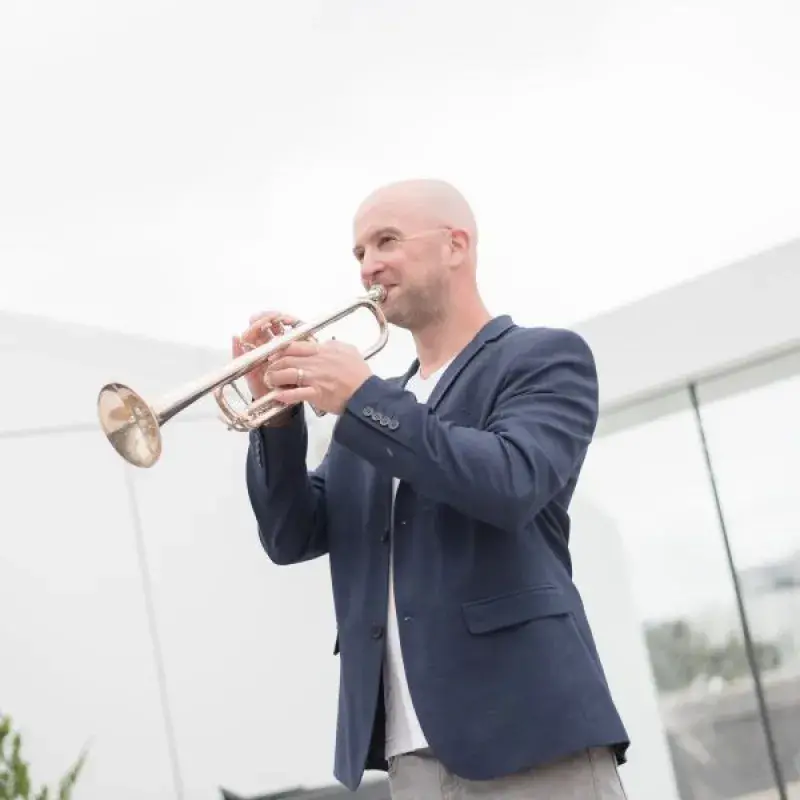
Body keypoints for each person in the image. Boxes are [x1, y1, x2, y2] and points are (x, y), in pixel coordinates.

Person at [235, 179, 631, 799]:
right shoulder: (372, 406)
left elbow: (509, 481)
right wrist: (277, 417)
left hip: (529, 728)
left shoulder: (544, 358)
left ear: (456, 245)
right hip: (409, 756)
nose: (369, 265)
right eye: (360, 251)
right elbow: (291, 535)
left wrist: (363, 398)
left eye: (386, 240)